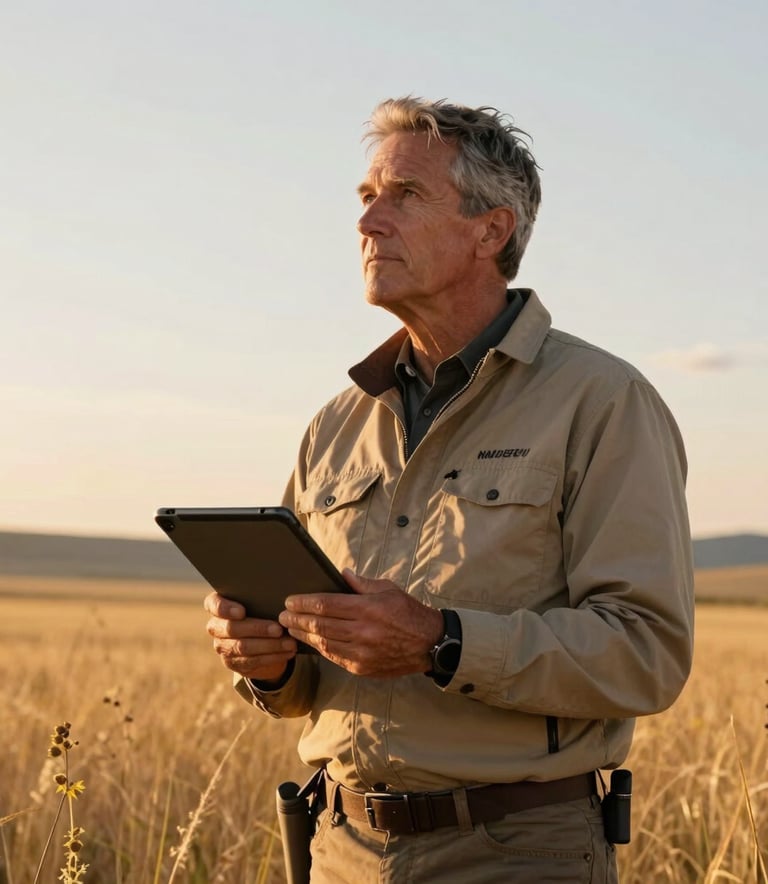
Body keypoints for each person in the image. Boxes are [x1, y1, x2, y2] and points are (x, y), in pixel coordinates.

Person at [205, 96, 694, 883]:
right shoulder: (335, 423)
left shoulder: (602, 400)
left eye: (404, 196)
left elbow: (646, 656)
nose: (368, 224)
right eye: (366, 199)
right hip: (340, 848)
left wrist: (442, 641)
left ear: (490, 232)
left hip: (516, 852)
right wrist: (268, 664)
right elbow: (305, 685)